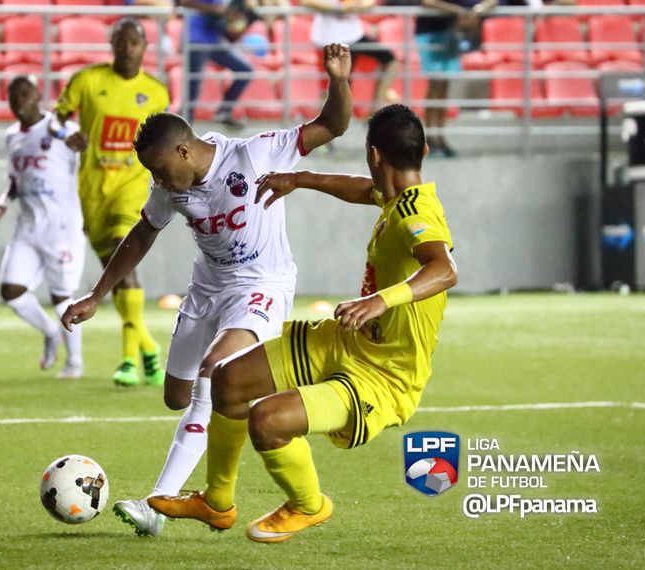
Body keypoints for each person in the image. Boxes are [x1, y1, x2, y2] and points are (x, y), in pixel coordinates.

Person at [61, 43, 353, 538]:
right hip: (207, 289)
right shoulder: (169, 188)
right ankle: (263, 380)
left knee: (212, 376)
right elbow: (143, 233)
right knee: (177, 396)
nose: (156, 181)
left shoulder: (253, 154)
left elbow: (333, 125)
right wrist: (96, 294)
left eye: (158, 170)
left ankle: (158, 504)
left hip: (262, 286)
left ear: (183, 150)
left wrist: (339, 79)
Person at [148, 103, 458, 543]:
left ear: (373, 155)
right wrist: (301, 179)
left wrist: (379, 302)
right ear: (422, 150)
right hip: (346, 341)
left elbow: (444, 270)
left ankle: (308, 505)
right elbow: (358, 189)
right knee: (229, 378)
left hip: (383, 376)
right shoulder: (395, 197)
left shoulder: (415, 214)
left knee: (268, 421)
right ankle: (216, 502)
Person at [53, 18, 170, 386]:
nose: (127, 48)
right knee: (116, 274)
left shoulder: (155, 92)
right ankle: (148, 347)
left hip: (133, 188)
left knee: (125, 258)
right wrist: (69, 134)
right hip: (93, 190)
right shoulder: (87, 81)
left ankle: (128, 361)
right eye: (120, 41)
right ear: (112, 44)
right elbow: (55, 120)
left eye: (134, 42)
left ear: (144, 47)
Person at [0, 76, 87, 379]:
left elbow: (85, 153)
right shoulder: (11, 137)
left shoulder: (61, 130)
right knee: (11, 290)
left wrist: (83, 146)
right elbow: (15, 180)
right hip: (28, 227)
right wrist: (3, 203)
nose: (19, 100)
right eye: (13, 95)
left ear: (37, 96)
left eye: (24, 94)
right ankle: (49, 332)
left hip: (61, 229)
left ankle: (75, 362)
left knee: (62, 297)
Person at [415, 0, 495, 157]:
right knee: (435, 87)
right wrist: (457, 10)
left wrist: (476, 10)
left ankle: (440, 138)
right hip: (430, 34)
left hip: (450, 34)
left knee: (444, 88)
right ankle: (430, 139)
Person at [299, 0, 399, 109]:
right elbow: (306, 2)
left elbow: (369, 2)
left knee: (390, 60)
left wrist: (360, 6)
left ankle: (376, 107)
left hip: (354, 35)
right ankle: (328, 122)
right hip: (329, 39)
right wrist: (339, 8)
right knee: (334, 87)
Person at [176, 0, 254, 129]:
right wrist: (216, 10)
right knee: (193, 87)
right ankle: (182, 125)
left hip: (215, 39)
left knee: (245, 70)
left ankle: (224, 112)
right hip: (196, 40)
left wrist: (235, 19)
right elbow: (183, 2)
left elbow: (224, 20)